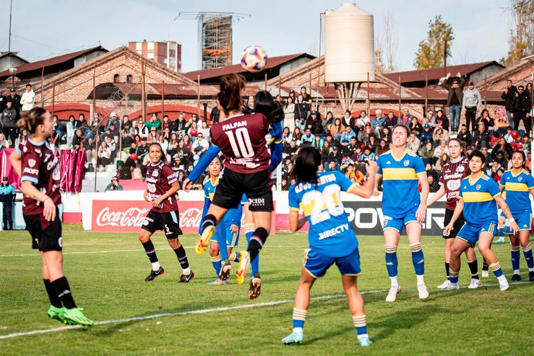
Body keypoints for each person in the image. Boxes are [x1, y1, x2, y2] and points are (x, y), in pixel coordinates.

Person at [183, 77, 282, 297]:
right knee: (260, 227)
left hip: (233, 177)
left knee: (214, 213)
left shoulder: (218, 130)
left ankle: (208, 228)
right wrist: (273, 112)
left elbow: (210, 153)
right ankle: (250, 259)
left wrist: (192, 175)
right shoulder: (257, 121)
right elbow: (276, 137)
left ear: (220, 106)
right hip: (257, 177)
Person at [282, 146, 377, 347]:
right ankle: (363, 337)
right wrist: (373, 172)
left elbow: (292, 227)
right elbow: (368, 193)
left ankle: (297, 331)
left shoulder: (295, 190)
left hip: (321, 246)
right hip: (346, 242)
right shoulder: (335, 176)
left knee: (304, 283)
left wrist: (307, 215)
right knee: (352, 289)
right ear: (320, 163)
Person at [8, 107, 93, 325]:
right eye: (48, 119)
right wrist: (45, 198)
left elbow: (14, 158)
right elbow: (26, 185)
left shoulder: (31, 144)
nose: (52, 120)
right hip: (43, 212)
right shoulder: (35, 154)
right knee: (55, 261)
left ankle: (56, 307)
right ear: (40, 126)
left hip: (37, 211)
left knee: (49, 260)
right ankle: (71, 309)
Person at [443, 151, 517, 291]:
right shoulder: (464, 182)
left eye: (477, 161)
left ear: (483, 164)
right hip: (470, 224)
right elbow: (460, 204)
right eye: (472, 161)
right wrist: (451, 223)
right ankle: (453, 283)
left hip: (487, 222)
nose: (474, 163)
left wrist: (511, 220)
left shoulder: (488, 181)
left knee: (483, 247)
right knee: (453, 250)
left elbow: (501, 201)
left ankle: (502, 279)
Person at [376, 125, 429, 302]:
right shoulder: (382, 160)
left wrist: (422, 205)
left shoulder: (415, 159)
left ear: (407, 138)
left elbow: (425, 184)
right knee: (390, 248)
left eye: (401, 133)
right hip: (391, 209)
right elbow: (373, 183)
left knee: (415, 245)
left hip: (411, 208)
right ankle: (394, 285)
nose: (397, 136)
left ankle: (420, 283)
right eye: (395, 133)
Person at [427, 139, 480, 289]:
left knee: (467, 245)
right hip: (450, 209)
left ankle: (475, 278)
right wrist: (427, 203)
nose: (453, 149)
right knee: (449, 244)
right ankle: (451, 280)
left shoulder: (467, 164)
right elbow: (443, 190)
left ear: (461, 148)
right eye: (450, 147)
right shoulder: (446, 167)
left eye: (456, 146)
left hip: (466, 208)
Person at [138, 142, 194, 283]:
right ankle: (156, 268)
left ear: (161, 153)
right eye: (152, 151)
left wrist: (160, 199)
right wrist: (147, 191)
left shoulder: (166, 168)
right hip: (156, 210)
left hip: (168, 210)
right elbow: (154, 184)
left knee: (173, 243)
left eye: (157, 151)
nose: (155, 154)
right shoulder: (150, 166)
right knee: (143, 237)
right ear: (148, 154)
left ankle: (187, 272)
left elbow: (176, 187)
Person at [200, 157, 244, 285]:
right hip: (216, 223)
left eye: (217, 164)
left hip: (230, 221)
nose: (214, 166)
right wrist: (202, 226)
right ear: (207, 167)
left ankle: (244, 258)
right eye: (211, 164)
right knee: (213, 250)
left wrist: (236, 221)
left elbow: (238, 202)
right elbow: (207, 207)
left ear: (221, 166)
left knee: (227, 253)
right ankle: (222, 279)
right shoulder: (207, 185)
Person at [498, 151, 534, 282]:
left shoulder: (527, 176)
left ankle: (531, 270)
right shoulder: (506, 175)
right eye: (514, 158)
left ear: (524, 161)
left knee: (524, 241)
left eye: (519, 158)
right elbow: (498, 194)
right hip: (510, 214)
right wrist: (502, 213)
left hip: (524, 212)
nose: (516, 160)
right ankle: (516, 273)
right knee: (514, 243)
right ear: (511, 160)